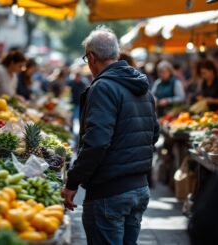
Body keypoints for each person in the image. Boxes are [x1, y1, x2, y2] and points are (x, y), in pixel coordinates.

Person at [61, 26, 159, 245]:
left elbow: (96, 143)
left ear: (92, 57)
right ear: (116, 54)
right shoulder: (142, 86)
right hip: (138, 188)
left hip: (109, 193)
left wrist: (73, 181)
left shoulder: (103, 87)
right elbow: (153, 134)